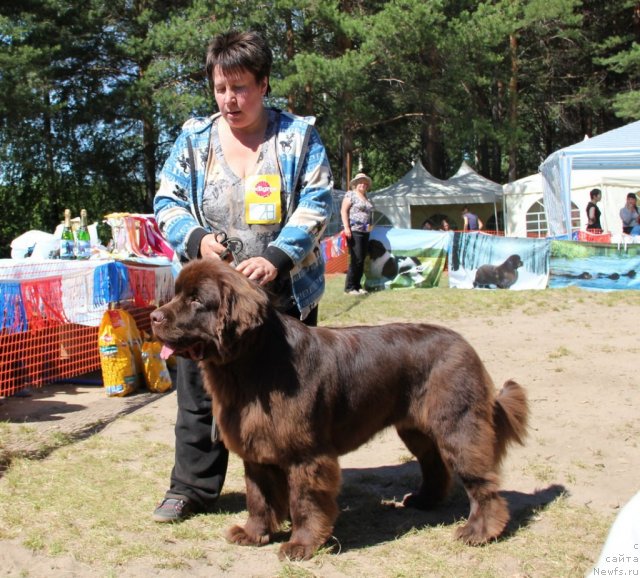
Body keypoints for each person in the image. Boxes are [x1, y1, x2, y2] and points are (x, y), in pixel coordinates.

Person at [151, 30, 333, 523]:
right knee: (198, 391)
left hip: (281, 295)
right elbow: (166, 200)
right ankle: (191, 487)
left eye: (241, 87)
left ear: (264, 83)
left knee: (283, 399)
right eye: (220, 88)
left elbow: (318, 201)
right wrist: (195, 241)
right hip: (202, 303)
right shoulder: (193, 139)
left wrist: (277, 255)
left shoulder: (299, 138)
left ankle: (288, 496)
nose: (230, 99)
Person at [341, 172, 374, 295]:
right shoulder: (350, 195)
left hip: (365, 231)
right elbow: (343, 211)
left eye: (365, 183)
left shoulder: (367, 197)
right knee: (356, 259)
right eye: (361, 182)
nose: (363, 184)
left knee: (361, 259)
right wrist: (346, 227)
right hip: (354, 230)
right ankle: (349, 288)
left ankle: (357, 285)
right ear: (355, 184)